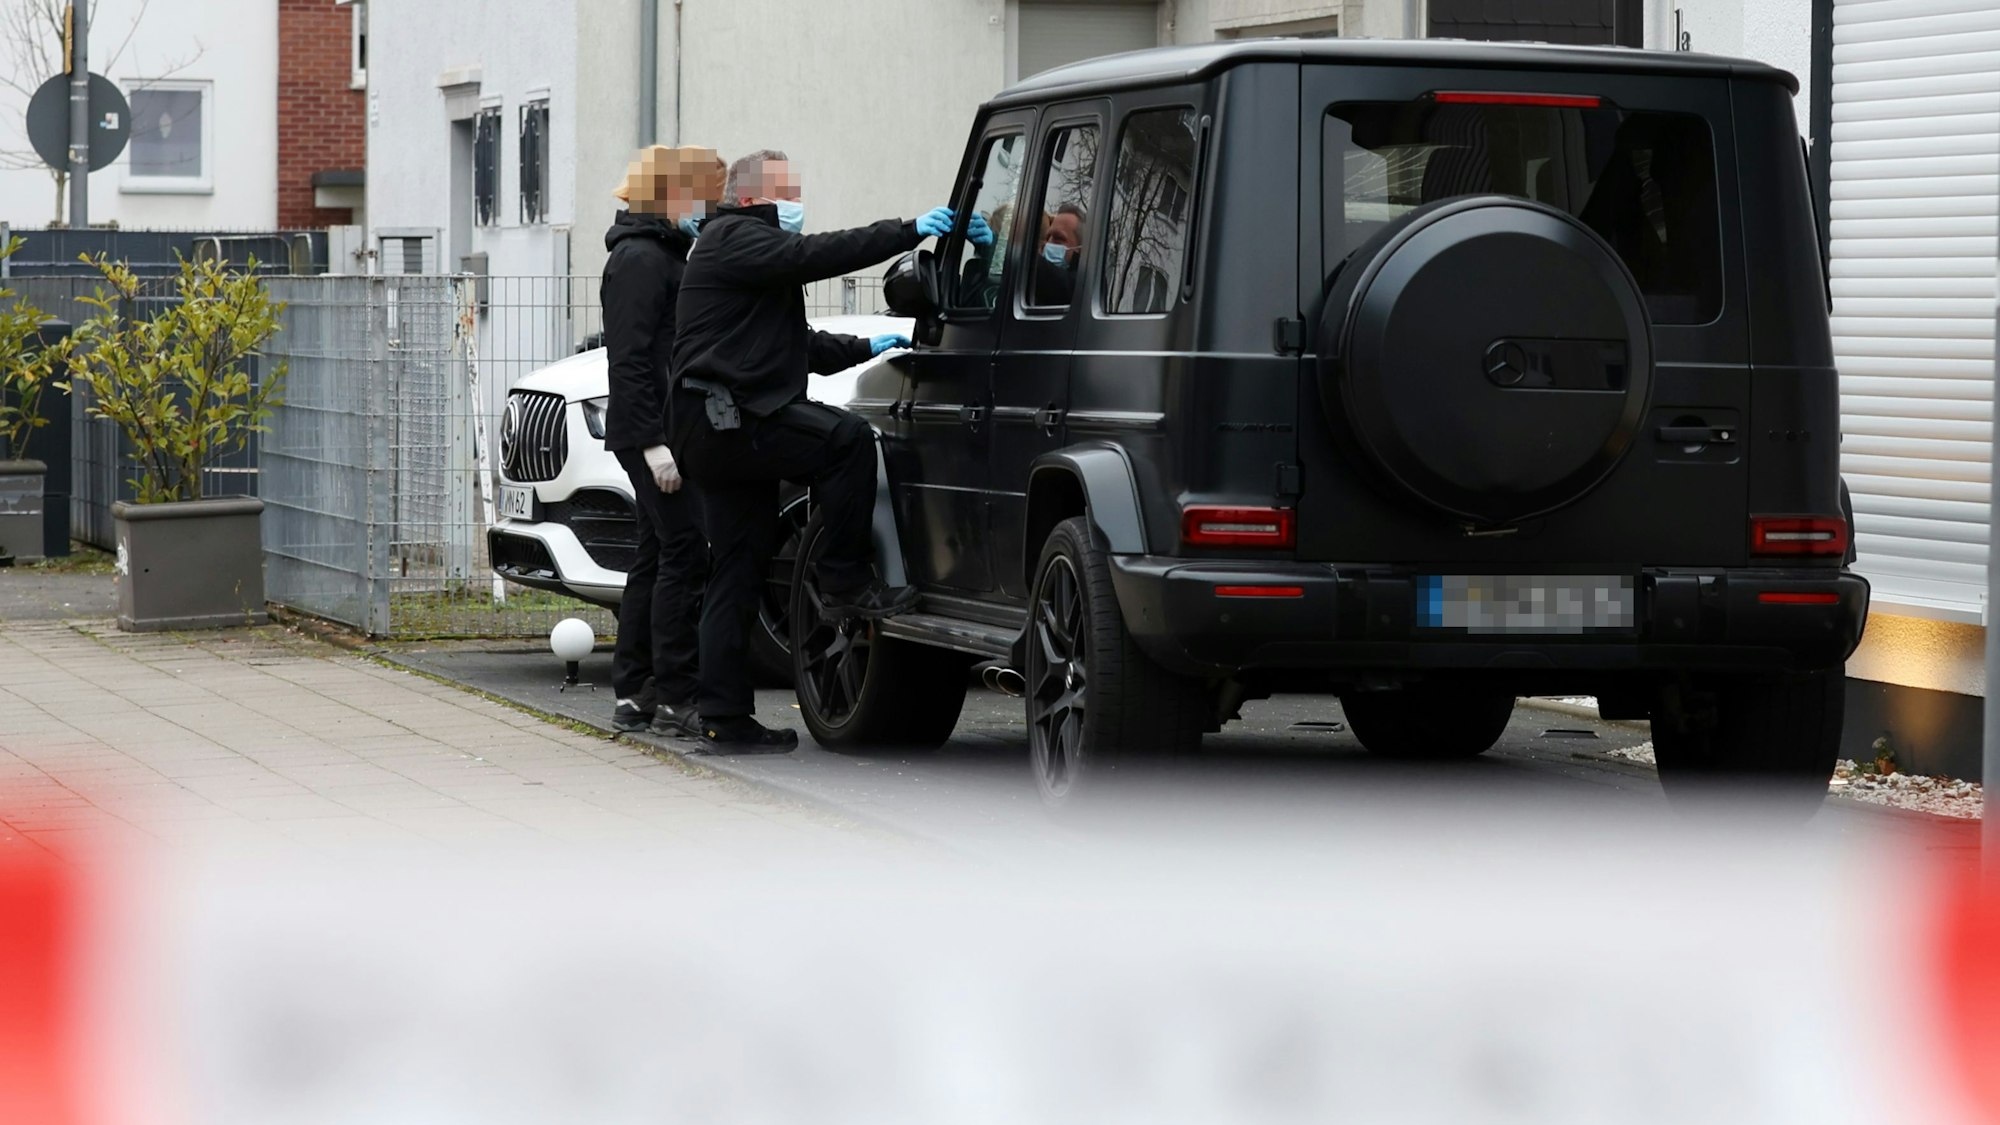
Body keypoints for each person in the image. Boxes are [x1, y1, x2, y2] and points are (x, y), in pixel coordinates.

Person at [668, 148, 960, 752]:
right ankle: (845, 579)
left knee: (737, 570)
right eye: (785, 193)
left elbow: (797, 346)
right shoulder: (735, 239)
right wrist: (906, 231)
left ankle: (723, 718)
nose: (796, 205)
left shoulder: (743, 256)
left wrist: (870, 345)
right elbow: (814, 255)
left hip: (716, 426)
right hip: (731, 423)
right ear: (750, 198)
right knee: (848, 442)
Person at [600, 144, 724, 736]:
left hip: (657, 431)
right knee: (683, 550)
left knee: (657, 552)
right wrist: (653, 445)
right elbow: (628, 361)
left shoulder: (656, 252)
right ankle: (675, 694)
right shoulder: (642, 260)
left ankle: (637, 690)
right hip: (652, 434)